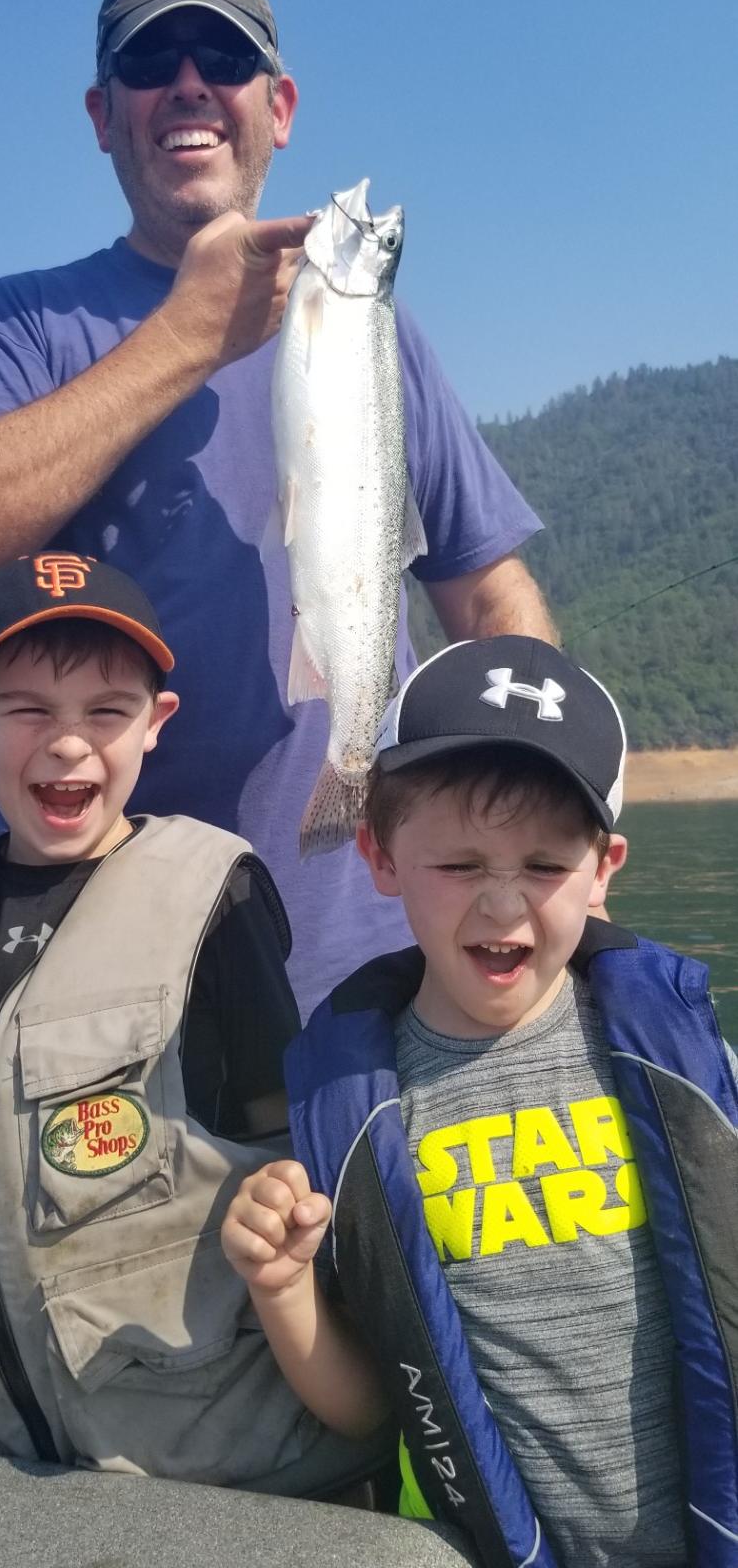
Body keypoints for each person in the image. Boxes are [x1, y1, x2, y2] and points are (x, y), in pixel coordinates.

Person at [0, 0, 557, 1019]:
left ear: (278, 106)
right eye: (153, 60)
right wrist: (185, 337)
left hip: (373, 960)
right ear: (104, 115)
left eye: (225, 57)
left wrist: (546, 789)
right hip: (97, 978)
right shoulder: (27, 321)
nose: (190, 83)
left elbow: (487, 596)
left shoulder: (372, 331)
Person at [0, 551, 378, 1493]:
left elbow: (286, 1153)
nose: (68, 744)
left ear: (156, 726)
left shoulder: (215, 900)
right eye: (28, 708)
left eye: (106, 712)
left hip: (178, 1471)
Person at [221, 635, 738, 1567]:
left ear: (603, 866)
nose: (502, 909)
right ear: (379, 856)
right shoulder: (355, 1109)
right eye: (458, 866)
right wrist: (281, 1286)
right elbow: (372, 1405)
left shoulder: (687, 1060)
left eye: (542, 868)